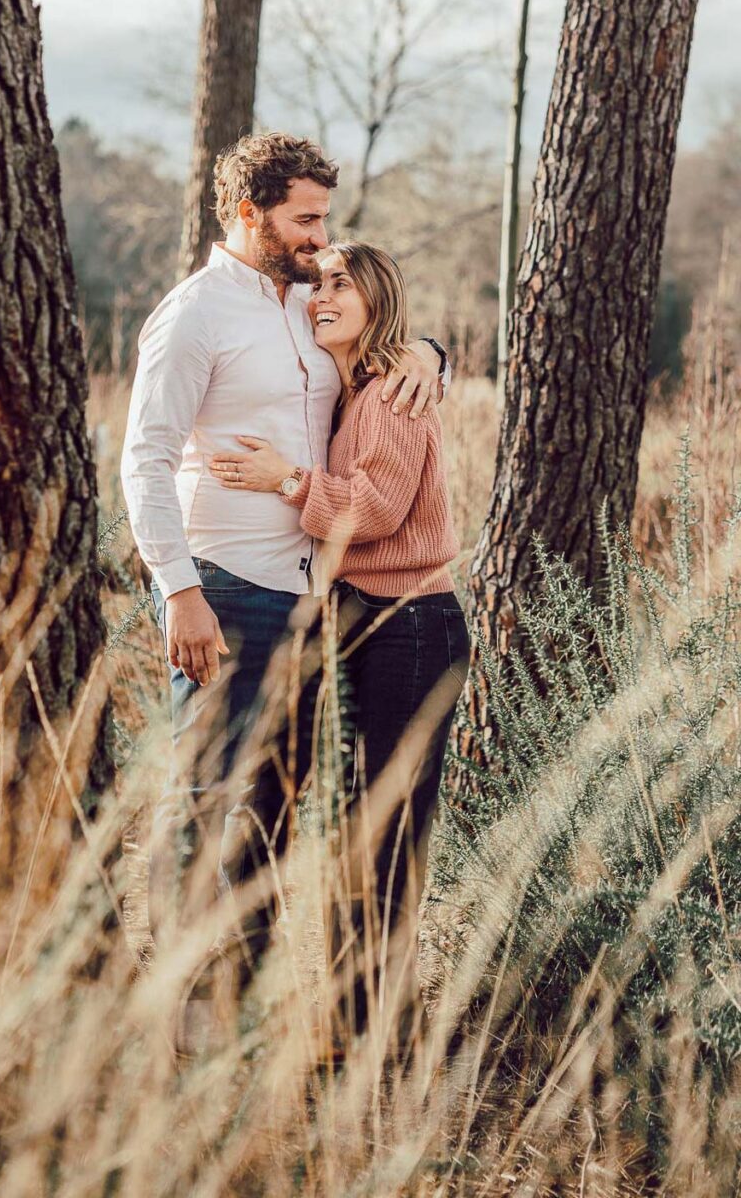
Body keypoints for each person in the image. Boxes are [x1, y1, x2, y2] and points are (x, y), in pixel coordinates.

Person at [120, 134, 449, 1035]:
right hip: (227, 589)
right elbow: (143, 459)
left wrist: (428, 353)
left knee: (272, 804)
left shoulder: (306, 295)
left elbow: (383, 325)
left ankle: (241, 994)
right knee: (209, 795)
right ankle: (187, 1008)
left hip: (316, 599)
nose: (319, 237)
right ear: (247, 213)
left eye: (324, 218)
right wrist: (178, 590)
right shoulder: (194, 316)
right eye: (304, 219)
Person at [210, 240, 469, 1053]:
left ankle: (373, 1039)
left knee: (383, 832)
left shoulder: (389, 394)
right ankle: (346, 1023)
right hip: (360, 620)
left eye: (341, 285)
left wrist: (286, 481)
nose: (322, 297)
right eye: (316, 285)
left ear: (377, 297)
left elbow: (378, 510)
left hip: (408, 628)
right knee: (352, 822)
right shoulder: (363, 382)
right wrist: (435, 352)